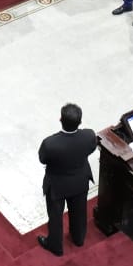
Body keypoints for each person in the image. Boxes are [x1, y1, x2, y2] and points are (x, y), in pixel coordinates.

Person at [37, 103, 99, 256]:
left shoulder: (50, 144)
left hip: (57, 185)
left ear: (60, 119)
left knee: (55, 216)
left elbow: (43, 159)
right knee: (79, 212)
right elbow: (92, 148)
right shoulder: (88, 136)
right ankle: (79, 238)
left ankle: (55, 246)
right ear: (80, 121)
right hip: (79, 181)